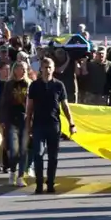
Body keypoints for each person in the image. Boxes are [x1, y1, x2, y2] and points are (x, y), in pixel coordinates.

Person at [26, 57, 77, 194]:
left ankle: (50, 183)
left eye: (50, 67)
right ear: (40, 69)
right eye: (45, 67)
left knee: (53, 157)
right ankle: (39, 183)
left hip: (54, 125)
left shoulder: (59, 85)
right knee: (38, 154)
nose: (47, 70)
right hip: (38, 125)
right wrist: (28, 126)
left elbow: (65, 106)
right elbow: (29, 108)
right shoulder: (34, 86)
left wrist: (72, 123)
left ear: (53, 69)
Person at [1, 61, 32, 187]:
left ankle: (20, 176)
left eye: (25, 69)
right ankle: (12, 172)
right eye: (21, 68)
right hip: (11, 119)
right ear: (15, 70)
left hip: (25, 119)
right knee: (14, 149)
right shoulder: (9, 84)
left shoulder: (29, 84)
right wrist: (3, 119)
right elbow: (4, 103)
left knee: (24, 149)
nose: (24, 71)